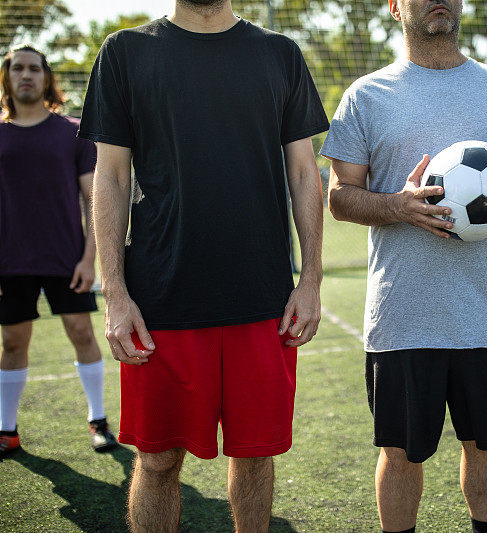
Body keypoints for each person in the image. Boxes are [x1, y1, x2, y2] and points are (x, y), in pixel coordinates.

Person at [78, 0, 328, 530]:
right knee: (159, 459)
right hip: (159, 298)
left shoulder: (279, 54)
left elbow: (306, 174)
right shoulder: (126, 52)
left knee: (256, 455)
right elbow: (111, 178)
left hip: (262, 298)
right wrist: (115, 294)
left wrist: (310, 280)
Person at [320, 0, 487, 531]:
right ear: (395, 7)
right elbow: (339, 198)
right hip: (404, 316)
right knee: (401, 453)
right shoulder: (367, 94)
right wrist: (398, 206)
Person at [0, 46, 118, 457]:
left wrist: (90, 259)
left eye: (34, 68)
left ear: (46, 78)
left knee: (82, 333)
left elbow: (94, 200)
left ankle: (98, 421)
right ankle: (7, 429)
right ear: (7, 78)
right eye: (18, 68)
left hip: (67, 259)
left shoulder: (72, 132)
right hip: (10, 262)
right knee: (12, 342)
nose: (26, 75)